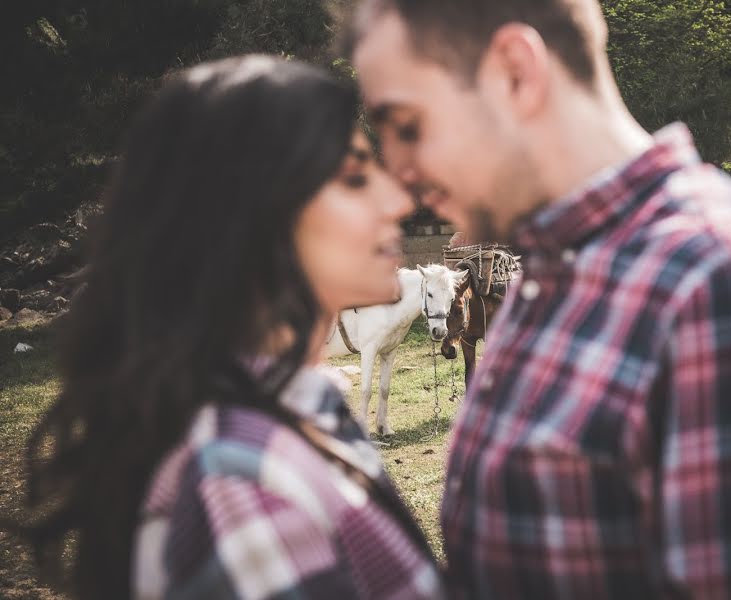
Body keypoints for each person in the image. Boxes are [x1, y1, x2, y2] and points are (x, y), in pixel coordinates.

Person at [342, 1, 731, 598]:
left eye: (406, 126)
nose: (399, 178)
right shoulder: (553, 273)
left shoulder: (727, 293)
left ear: (515, 72)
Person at [15, 55, 444, 599]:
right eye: (355, 177)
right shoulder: (243, 490)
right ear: (258, 217)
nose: (399, 200)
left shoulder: (288, 406)